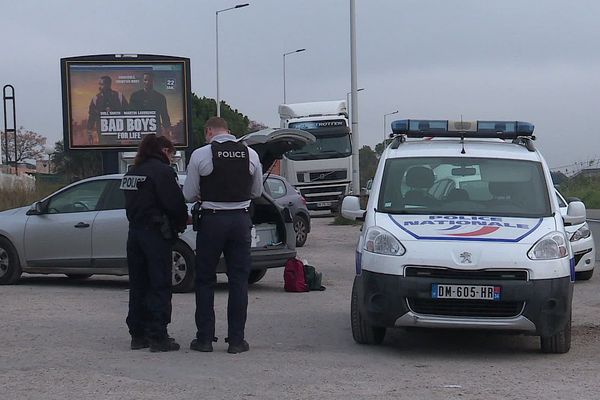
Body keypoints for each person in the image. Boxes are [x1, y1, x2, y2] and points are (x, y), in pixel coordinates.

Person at [183, 117, 263, 354]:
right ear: (229, 131)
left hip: (212, 221)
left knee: (205, 279)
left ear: (209, 131)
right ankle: (237, 341)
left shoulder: (201, 154)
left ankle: (205, 339)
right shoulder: (250, 154)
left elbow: (189, 194)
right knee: (239, 280)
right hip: (240, 221)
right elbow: (257, 191)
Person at [121, 134, 188, 352]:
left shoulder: (133, 172)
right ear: (164, 151)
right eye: (172, 153)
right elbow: (175, 204)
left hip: (135, 234)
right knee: (159, 284)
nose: (172, 158)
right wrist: (179, 224)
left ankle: (137, 335)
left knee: (138, 284)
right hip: (156, 234)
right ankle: (158, 336)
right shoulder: (162, 172)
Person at [87, 75, 128, 144]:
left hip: (116, 131)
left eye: (102, 84)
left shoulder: (119, 96)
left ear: (108, 84)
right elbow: (92, 116)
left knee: (117, 149)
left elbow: (127, 112)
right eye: (99, 84)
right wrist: (89, 132)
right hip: (102, 134)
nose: (99, 87)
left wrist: (126, 131)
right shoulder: (96, 99)